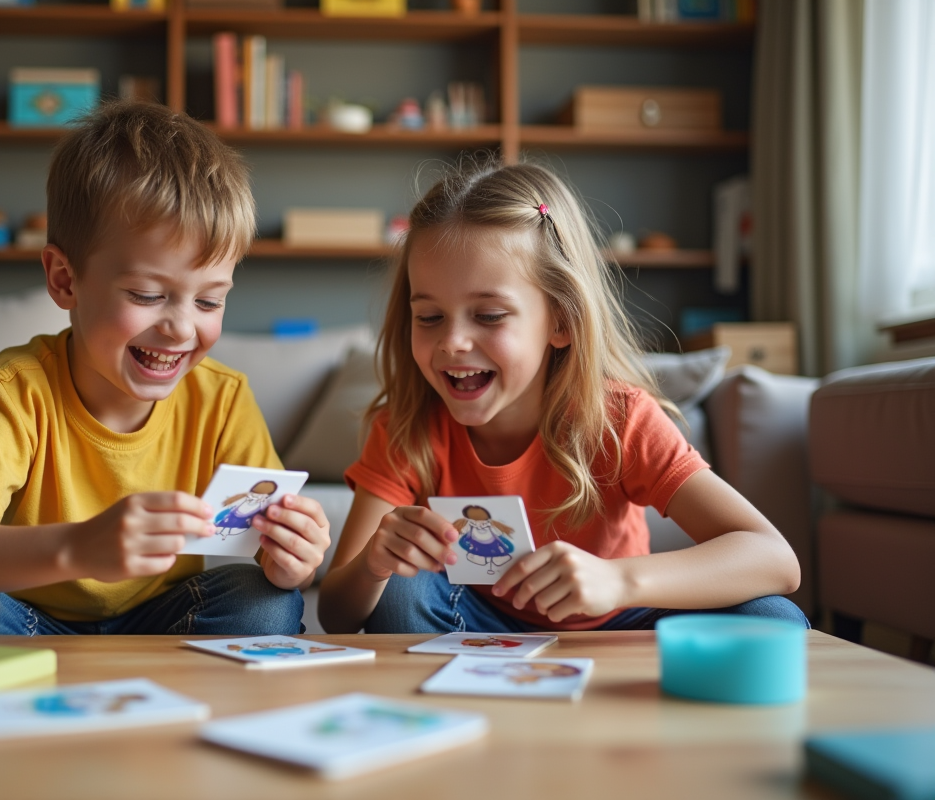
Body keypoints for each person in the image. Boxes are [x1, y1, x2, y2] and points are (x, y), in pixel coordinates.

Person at [0, 101, 330, 637]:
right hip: (29, 620)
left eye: (209, 301)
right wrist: (78, 548)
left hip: (166, 617)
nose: (181, 329)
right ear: (64, 280)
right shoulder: (14, 390)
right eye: (147, 295)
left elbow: (266, 549)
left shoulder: (222, 399)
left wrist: (293, 561)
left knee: (266, 603)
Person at [318, 159, 805, 635]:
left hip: (622, 622)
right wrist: (373, 566)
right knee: (399, 591)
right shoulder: (405, 428)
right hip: (477, 625)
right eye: (430, 318)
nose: (452, 342)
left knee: (771, 618)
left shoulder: (620, 419)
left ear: (562, 321)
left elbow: (775, 558)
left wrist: (618, 581)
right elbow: (338, 617)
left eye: (488, 316)